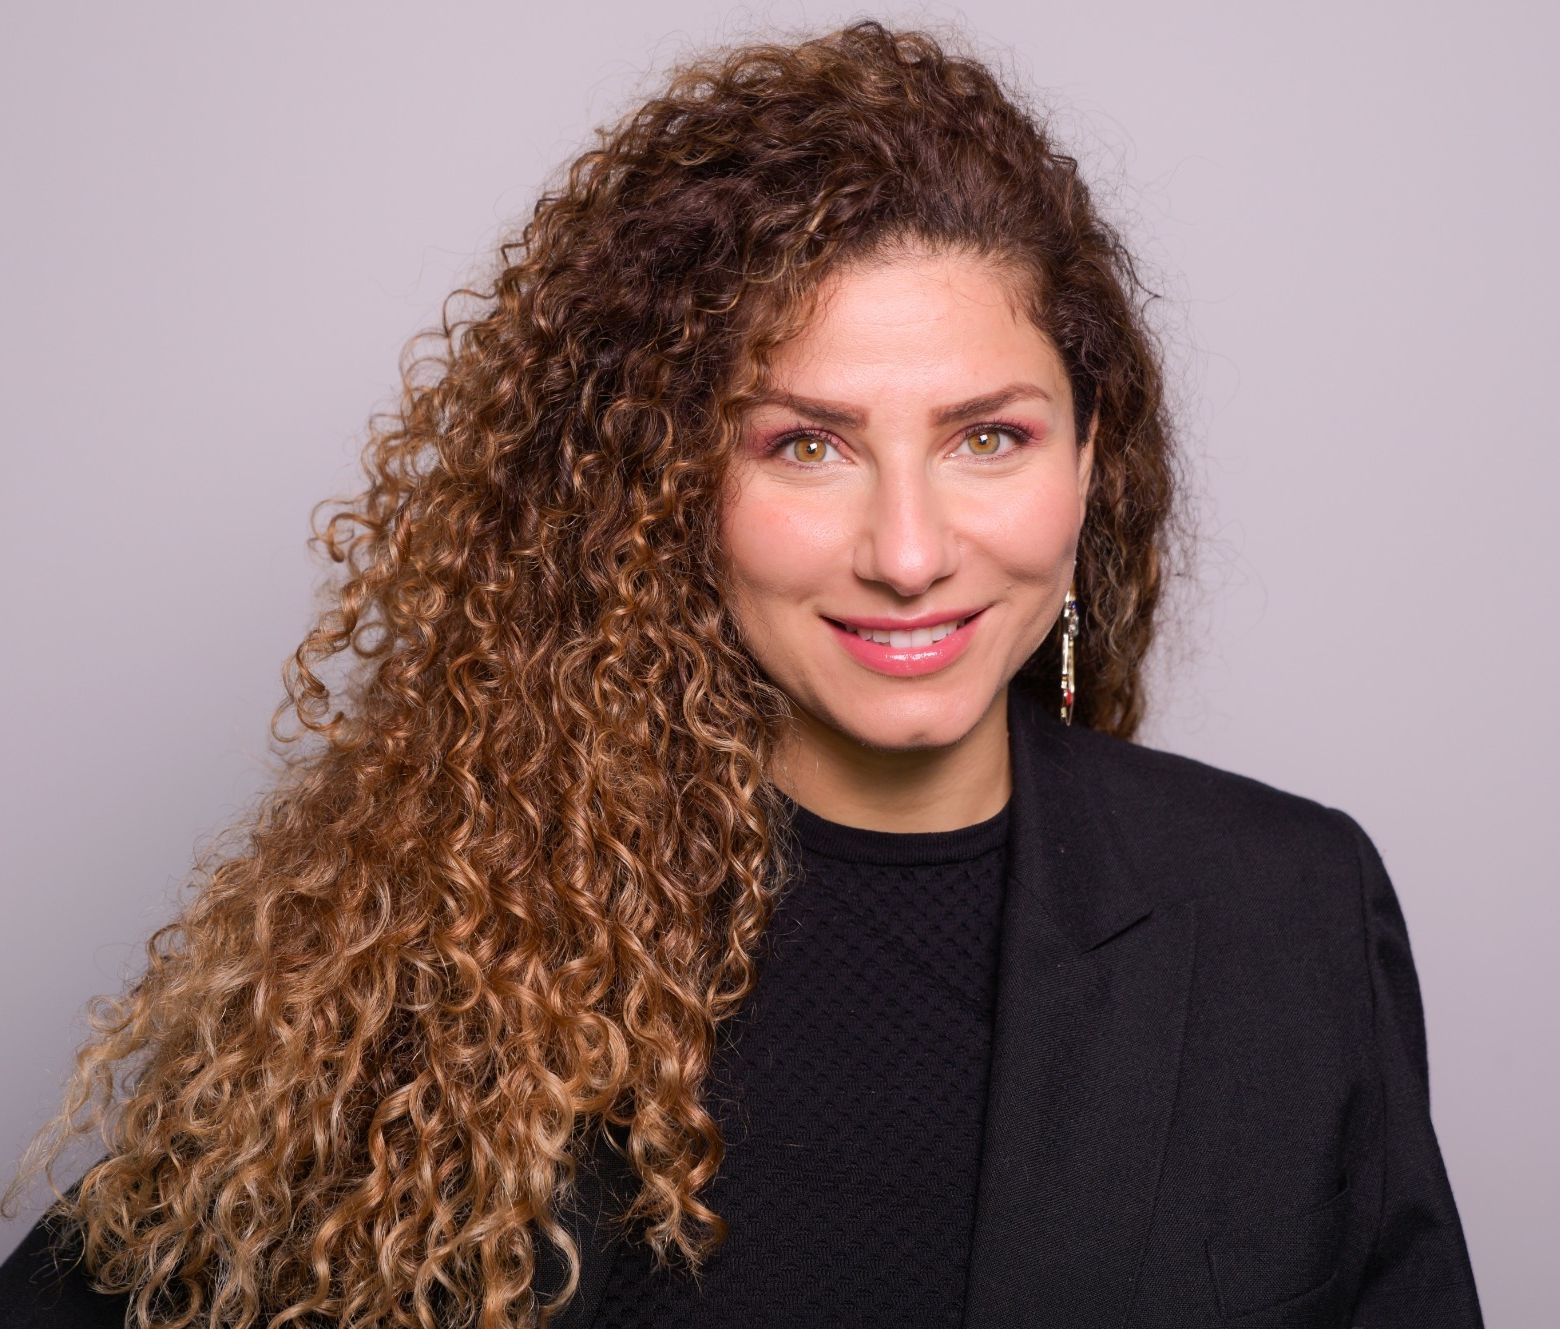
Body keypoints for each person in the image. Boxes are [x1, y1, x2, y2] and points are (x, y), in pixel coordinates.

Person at [0, 19, 1482, 1329]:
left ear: (1092, 460)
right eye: (804, 443)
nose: (910, 552)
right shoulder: (473, 925)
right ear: (667, 485)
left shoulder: (1290, 911)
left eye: (990, 437)